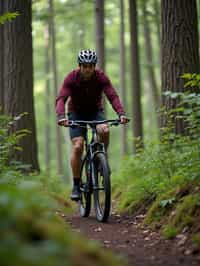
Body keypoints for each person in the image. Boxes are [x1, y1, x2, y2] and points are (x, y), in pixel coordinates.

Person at [56, 49, 128, 201]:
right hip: (76, 113)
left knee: (104, 130)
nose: (88, 69)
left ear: (94, 66)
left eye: (90, 66)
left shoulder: (101, 77)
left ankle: (102, 158)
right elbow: (61, 98)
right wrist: (61, 116)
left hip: (95, 112)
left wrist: (121, 113)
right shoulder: (71, 78)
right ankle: (76, 185)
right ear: (80, 66)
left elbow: (112, 96)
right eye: (85, 66)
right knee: (78, 146)